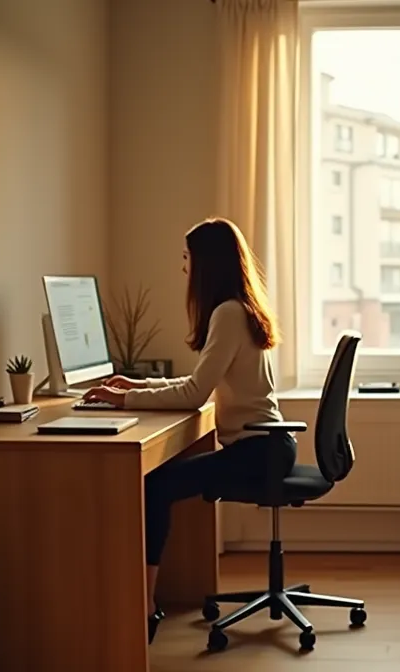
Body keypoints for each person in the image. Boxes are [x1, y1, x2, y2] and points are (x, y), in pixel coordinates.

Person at [81, 217, 294, 644]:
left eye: (187, 258)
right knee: (164, 482)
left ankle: (144, 605)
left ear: (206, 263)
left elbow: (195, 393)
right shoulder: (239, 307)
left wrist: (123, 400)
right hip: (268, 446)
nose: (183, 268)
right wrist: (137, 385)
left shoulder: (228, 313)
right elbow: (201, 381)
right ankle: (152, 597)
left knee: (155, 487)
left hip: (257, 451)